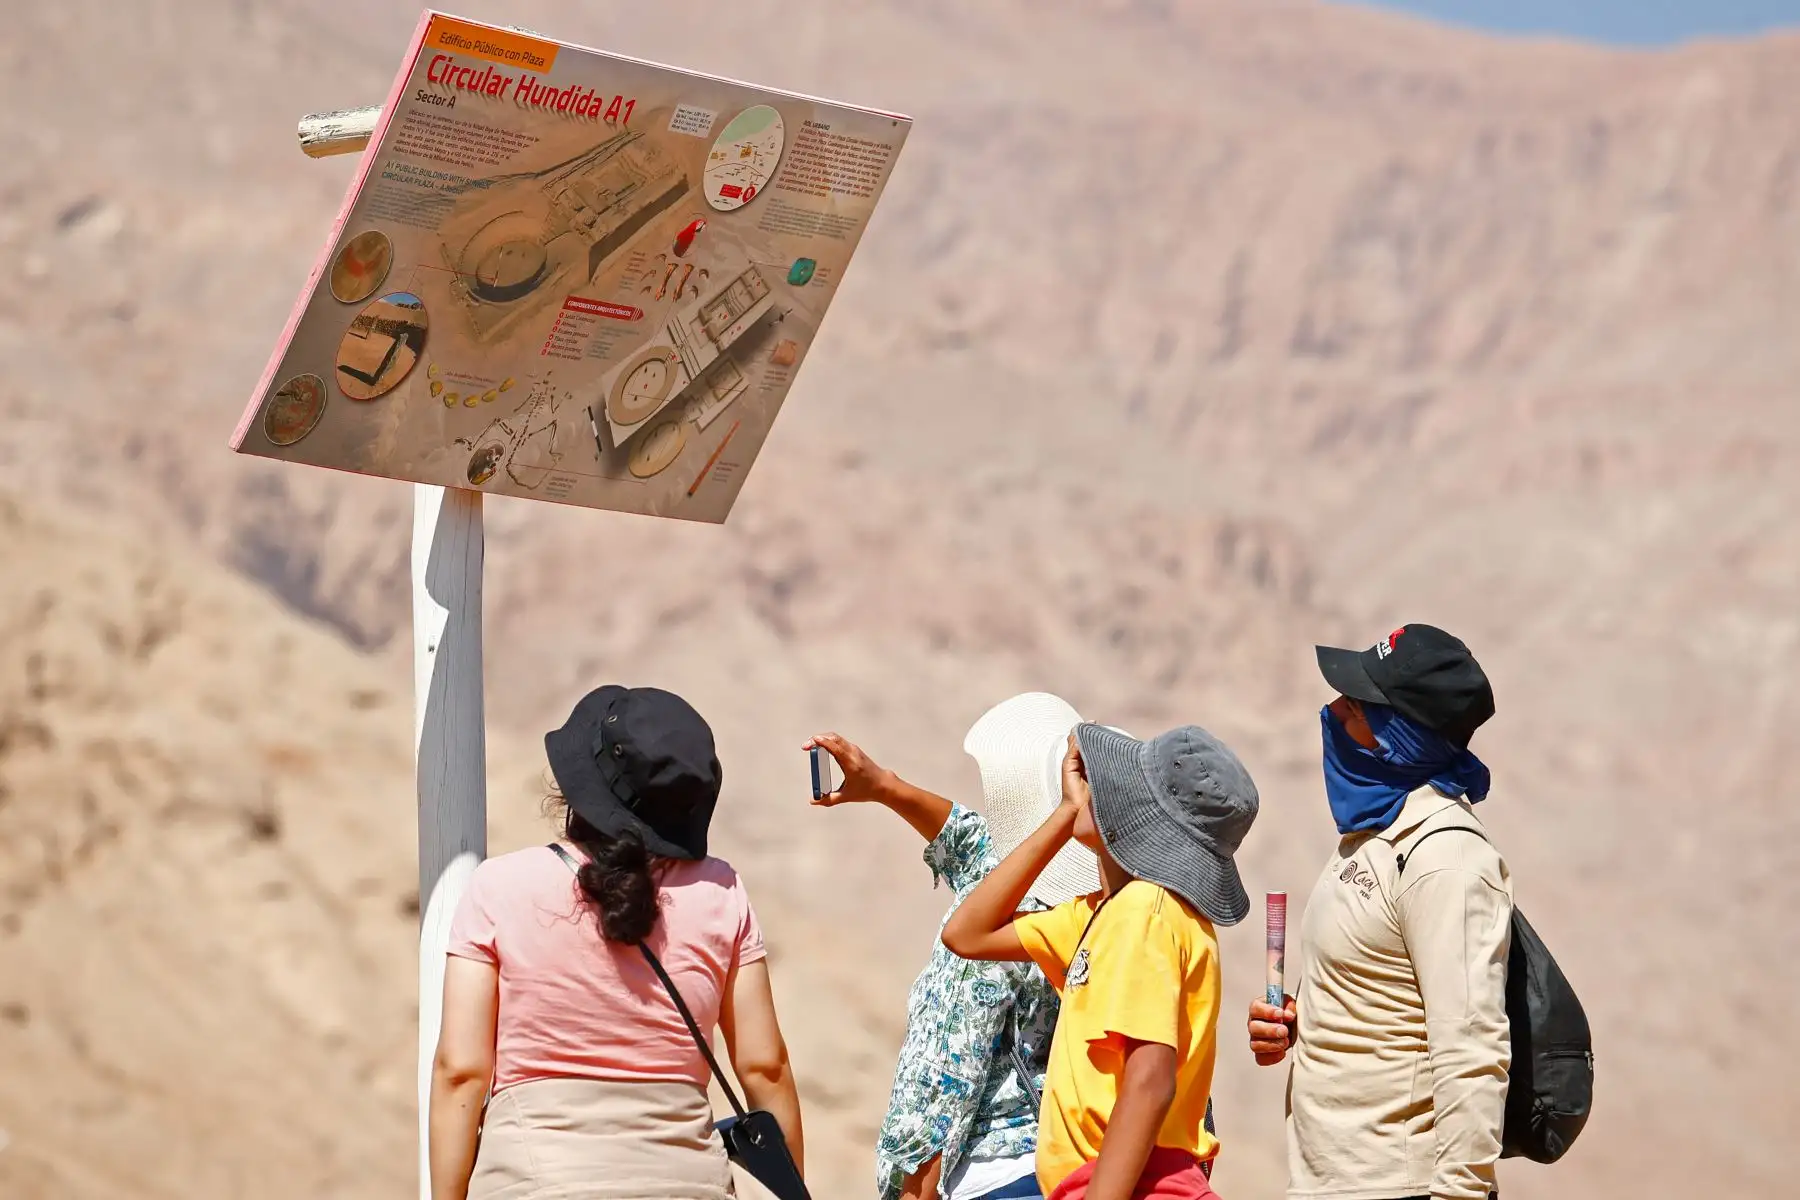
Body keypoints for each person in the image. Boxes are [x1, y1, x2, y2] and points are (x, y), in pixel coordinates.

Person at [428, 685, 803, 1200]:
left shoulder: (498, 887)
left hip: (537, 1181)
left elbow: (462, 1073)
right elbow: (765, 1068)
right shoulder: (721, 891)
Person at [1246, 624, 1510, 1200]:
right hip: (1329, 1183)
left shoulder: (1445, 857)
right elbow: (1384, 996)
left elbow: (1473, 1048)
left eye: (1357, 706)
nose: (1333, 711)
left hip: (1397, 1186)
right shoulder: (1375, 835)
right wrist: (1299, 1020)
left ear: (1396, 738)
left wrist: (1461, 1193)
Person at [943, 720, 1260, 1200]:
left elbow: (1150, 1080)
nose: (1088, 788)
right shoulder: (1102, 914)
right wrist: (1067, 812)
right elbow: (967, 933)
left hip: (1133, 1185)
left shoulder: (1145, 913)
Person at [806, 692, 1103, 1200]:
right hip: (1076, 1168)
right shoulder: (1098, 905)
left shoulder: (993, 933)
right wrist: (884, 787)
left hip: (996, 1180)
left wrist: (909, 1186)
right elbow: (973, 845)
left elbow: (942, 1074)